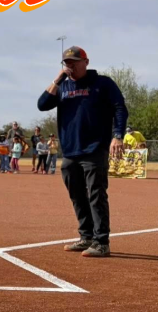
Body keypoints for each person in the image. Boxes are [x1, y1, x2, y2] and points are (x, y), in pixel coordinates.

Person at [37, 45, 128, 258]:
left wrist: (117, 135)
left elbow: (120, 108)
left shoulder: (102, 83)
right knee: (77, 195)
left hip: (94, 148)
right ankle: (86, 236)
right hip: (70, 151)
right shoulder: (62, 87)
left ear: (86, 62)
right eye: (67, 63)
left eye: (74, 62)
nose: (70, 66)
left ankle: (101, 241)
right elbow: (42, 105)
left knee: (96, 194)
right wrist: (58, 79)